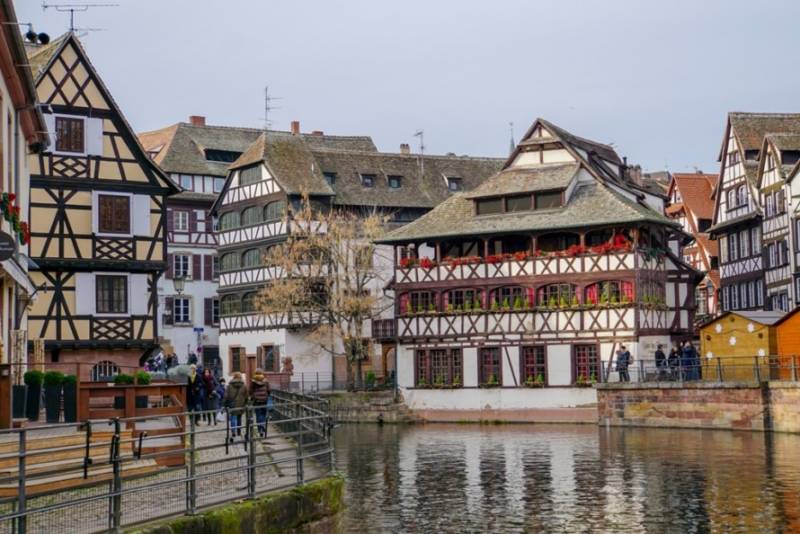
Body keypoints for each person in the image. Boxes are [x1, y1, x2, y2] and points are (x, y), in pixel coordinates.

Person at [223, 372, 248, 441]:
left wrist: (224, 404)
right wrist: (246, 404)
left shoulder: (229, 386)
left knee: (233, 418)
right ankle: (239, 431)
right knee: (239, 418)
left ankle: (233, 431)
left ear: (234, 377)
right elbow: (246, 396)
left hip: (232, 405)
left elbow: (226, 396)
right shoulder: (244, 386)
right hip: (241, 405)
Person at [250, 369, 271, 438]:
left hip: (256, 401)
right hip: (264, 400)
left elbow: (250, 391)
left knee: (258, 415)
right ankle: (263, 425)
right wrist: (267, 395)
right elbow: (269, 390)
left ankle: (260, 430)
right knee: (263, 414)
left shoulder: (253, 381)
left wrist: (253, 396)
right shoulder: (266, 381)